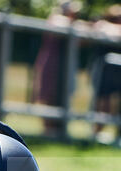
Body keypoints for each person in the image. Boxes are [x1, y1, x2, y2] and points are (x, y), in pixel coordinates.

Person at [32, 1, 86, 137]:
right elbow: (63, 25)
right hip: (52, 65)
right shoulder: (56, 19)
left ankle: (58, 132)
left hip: (66, 67)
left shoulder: (74, 24)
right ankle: (48, 133)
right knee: (49, 98)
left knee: (63, 98)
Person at [89, 4, 121, 136]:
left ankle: (112, 134)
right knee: (102, 104)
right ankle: (96, 133)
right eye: (118, 18)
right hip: (103, 72)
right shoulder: (102, 26)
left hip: (118, 74)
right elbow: (110, 30)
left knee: (117, 105)